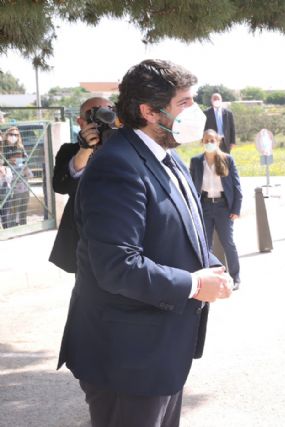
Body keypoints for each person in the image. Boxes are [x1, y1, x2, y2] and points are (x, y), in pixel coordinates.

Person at [57, 59, 234, 427]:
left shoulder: (170, 158)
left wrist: (211, 266)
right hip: (126, 359)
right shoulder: (116, 165)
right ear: (149, 112)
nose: (195, 111)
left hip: (161, 351)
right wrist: (194, 284)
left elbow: (181, 227)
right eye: (184, 102)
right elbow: (117, 266)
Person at [49, 97, 114, 272]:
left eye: (109, 112)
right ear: (81, 122)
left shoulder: (126, 146)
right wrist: (85, 150)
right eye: (95, 114)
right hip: (84, 237)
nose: (104, 118)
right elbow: (60, 186)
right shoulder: (70, 150)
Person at [189, 129, 243, 290]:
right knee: (205, 245)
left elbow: (237, 187)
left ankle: (235, 277)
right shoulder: (196, 161)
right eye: (206, 140)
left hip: (223, 207)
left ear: (218, 141)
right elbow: (191, 187)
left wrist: (236, 209)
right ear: (202, 142)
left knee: (228, 243)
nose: (209, 143)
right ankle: (211, 278)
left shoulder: (227, 159)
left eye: (212, 140)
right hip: (204, 206)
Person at [2, 127, 29, 227]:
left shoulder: (20, 147)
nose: (14, 137)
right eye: (11, 134)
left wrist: (22, 164)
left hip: (21, 178)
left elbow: (26, 160)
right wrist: (9, 161)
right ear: (7, 135)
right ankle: (12, 227)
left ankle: (24, 225)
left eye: (16, 135)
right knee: (12, 206)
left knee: (23, 203)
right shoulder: (3, 147)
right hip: (8, 179)